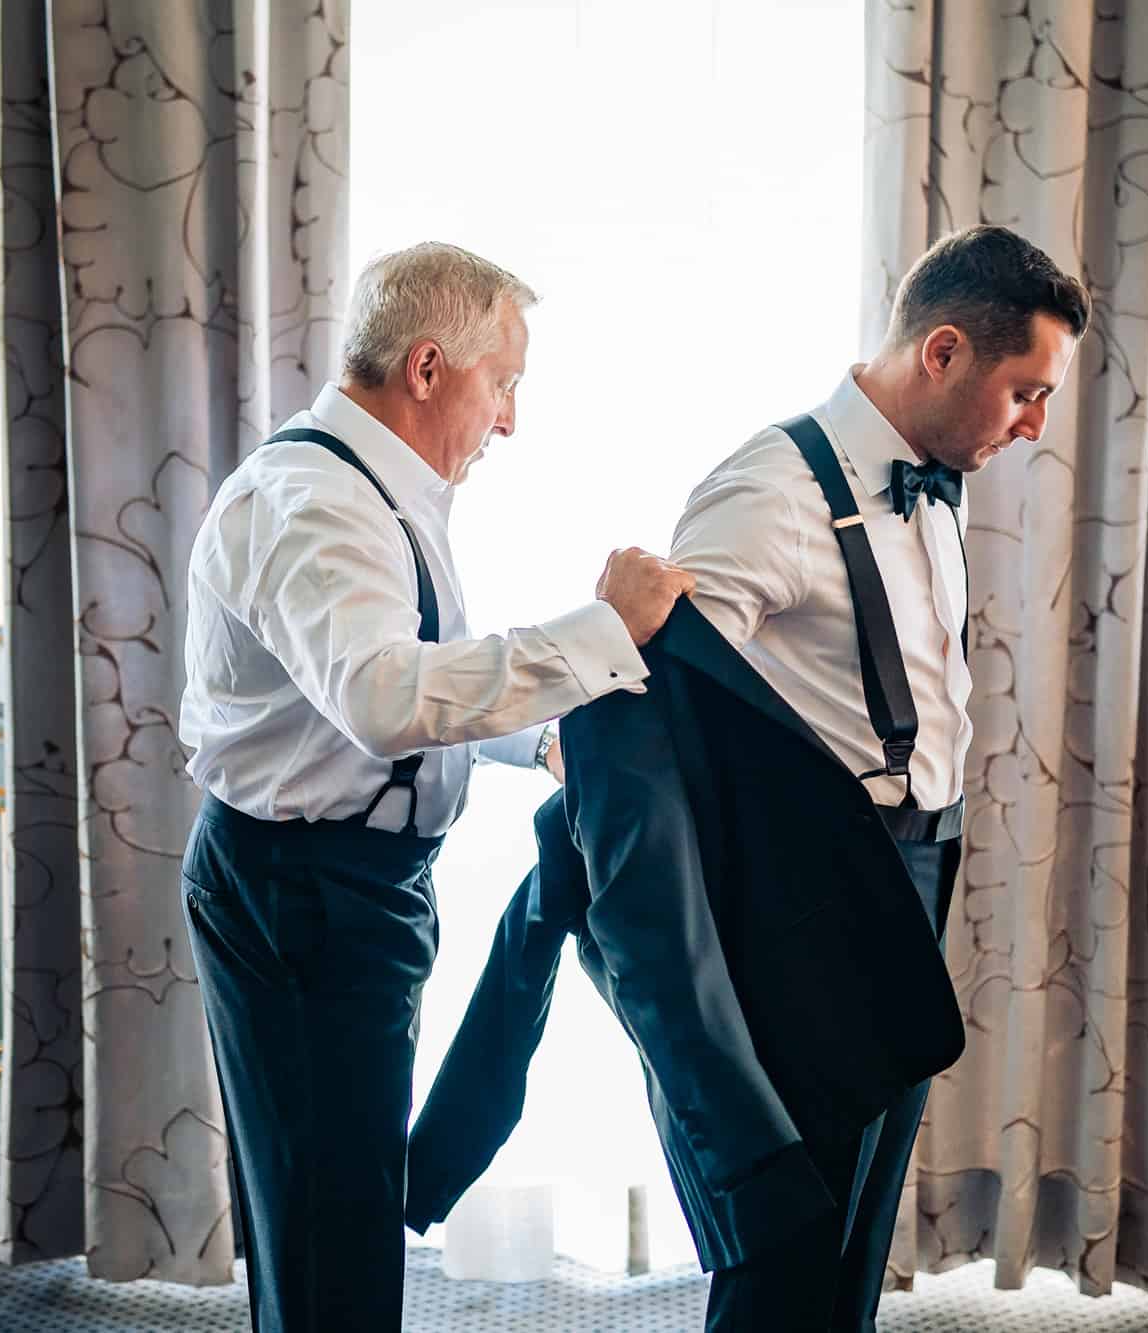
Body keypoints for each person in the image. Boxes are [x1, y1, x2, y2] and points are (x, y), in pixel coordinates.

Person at [175, 241, 693, 1331]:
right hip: (300, 888)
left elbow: (383, 688)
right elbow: (375, 695)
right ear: (425, 367)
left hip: (343, 881)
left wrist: (533, 745)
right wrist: (601, 632)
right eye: (502, 383)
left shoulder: (379, 489)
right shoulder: (310, 500)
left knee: (342, 1207)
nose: (509, 419)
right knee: (328, 1223)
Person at [670, 223, 1088, 1331]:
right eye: (1023, 392)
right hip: (808, 897)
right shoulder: (770, 488)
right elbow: (662, 703)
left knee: (856, 1237)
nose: (1033, 425)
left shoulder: (934, 482)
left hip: (915, 869)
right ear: (941, 352)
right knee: (792, 1237)